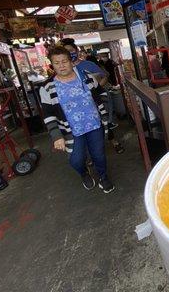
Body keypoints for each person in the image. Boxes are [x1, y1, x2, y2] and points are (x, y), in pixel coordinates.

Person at [39, 46, 115, 193]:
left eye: (64, 61)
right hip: (71, 131)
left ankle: (103, 178)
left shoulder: (86, 76)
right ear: (52, 65)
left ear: (71, 62)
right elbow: (48, 114)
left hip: (94, 125)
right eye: (57, 63)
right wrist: (56, 136)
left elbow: (101, 94)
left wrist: (104, 114)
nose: (61, 65)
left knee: (98, 155)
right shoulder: (47, 87)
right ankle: (84, 173)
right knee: (76, 160)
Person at [61, 38, 118, 130]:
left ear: (76, 50)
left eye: (71, 50)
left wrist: (95, 89)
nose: (69, 53)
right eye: (66, 52)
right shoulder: (64, 70)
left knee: (106, 122)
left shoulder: (89, 64)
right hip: (81, 105)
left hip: (99, 99)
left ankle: (113, 141)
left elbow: (104, 77)